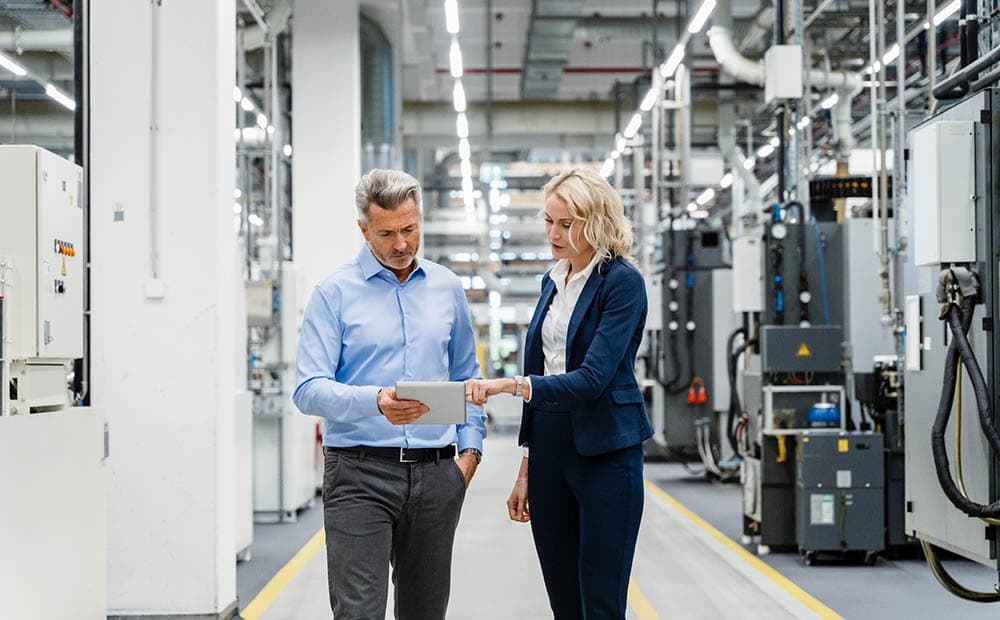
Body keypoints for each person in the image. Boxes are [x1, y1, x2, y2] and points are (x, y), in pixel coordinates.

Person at [293, 169, 486, 620]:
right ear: (364, 230)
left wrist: (469, 454)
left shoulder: (447, 288)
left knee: (425, 612)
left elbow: (467, 376)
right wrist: (375, 401)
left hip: (437, 475)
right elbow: (307, 389)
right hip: (359, 475)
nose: (401, 244)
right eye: (386, 233)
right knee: (358, 612)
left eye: (409, 229)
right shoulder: (333, 293)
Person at [466, 167, 651, 620]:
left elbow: (591, 379)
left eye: (566, 224)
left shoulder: (622, 283)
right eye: (549, 221)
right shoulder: (551, 281)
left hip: (606, 451)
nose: (553, 233)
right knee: (564, 603)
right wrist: (527, 465)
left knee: (601, 603)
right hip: (550, 448)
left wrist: (511, 386)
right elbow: (543, 364)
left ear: (597, 222)